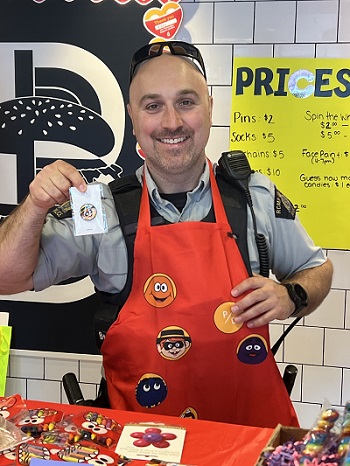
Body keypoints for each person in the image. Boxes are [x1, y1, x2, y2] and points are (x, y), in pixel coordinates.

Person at [0, 41, 333, 428]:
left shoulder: (254, 195)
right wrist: (34, 206)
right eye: (153, 105)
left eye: (186, 102)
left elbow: (317, 268)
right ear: (133, 116)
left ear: (210, 105)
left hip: (243, 434)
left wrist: (291, 295)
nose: (172, 122)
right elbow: (7, 277)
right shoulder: (101, 208)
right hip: (138, 440)